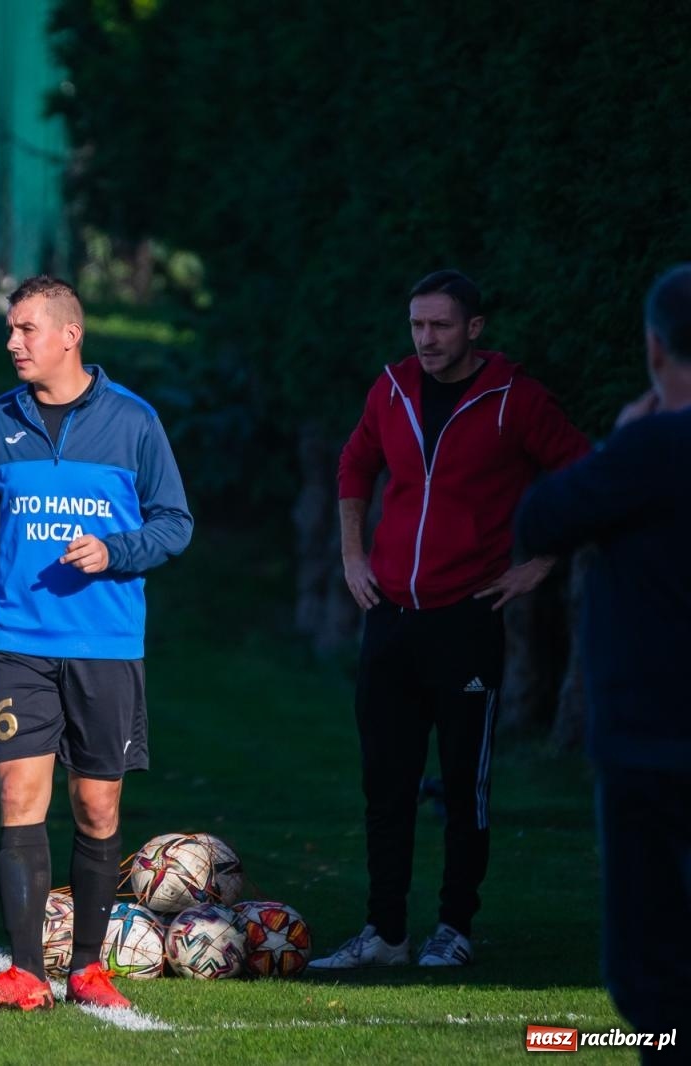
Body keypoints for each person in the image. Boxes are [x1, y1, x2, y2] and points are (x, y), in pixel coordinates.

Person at [0, 276, 193, 1011]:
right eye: (11, 329)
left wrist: (115, 550)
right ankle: (24, 974)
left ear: (69, 335)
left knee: (97, 808)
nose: (13, 342)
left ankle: (86, 969)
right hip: (19, 645)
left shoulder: (133, 421)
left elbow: (175, 523)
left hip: (105, 644)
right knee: (18, 795)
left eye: (26, 329)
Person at [311, 270, 590, 970]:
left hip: (466, 620)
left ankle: (454, 926)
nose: (425, 339)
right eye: (416, 325)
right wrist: (351, 556)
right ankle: (386, 933)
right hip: (390, 619)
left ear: (474, 328)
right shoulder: (393, 387)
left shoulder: (514, 399)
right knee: (386, 783)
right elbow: (354, 466)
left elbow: (583, 474)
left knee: (465, 786)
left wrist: (542, 564)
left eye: (439, 326)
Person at [516, 264, 691, 1058]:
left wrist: (623, 438)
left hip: (651, 733)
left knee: (649, 960)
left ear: (656, 348)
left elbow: (543, 517)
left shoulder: (648, 448)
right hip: (650, 732)